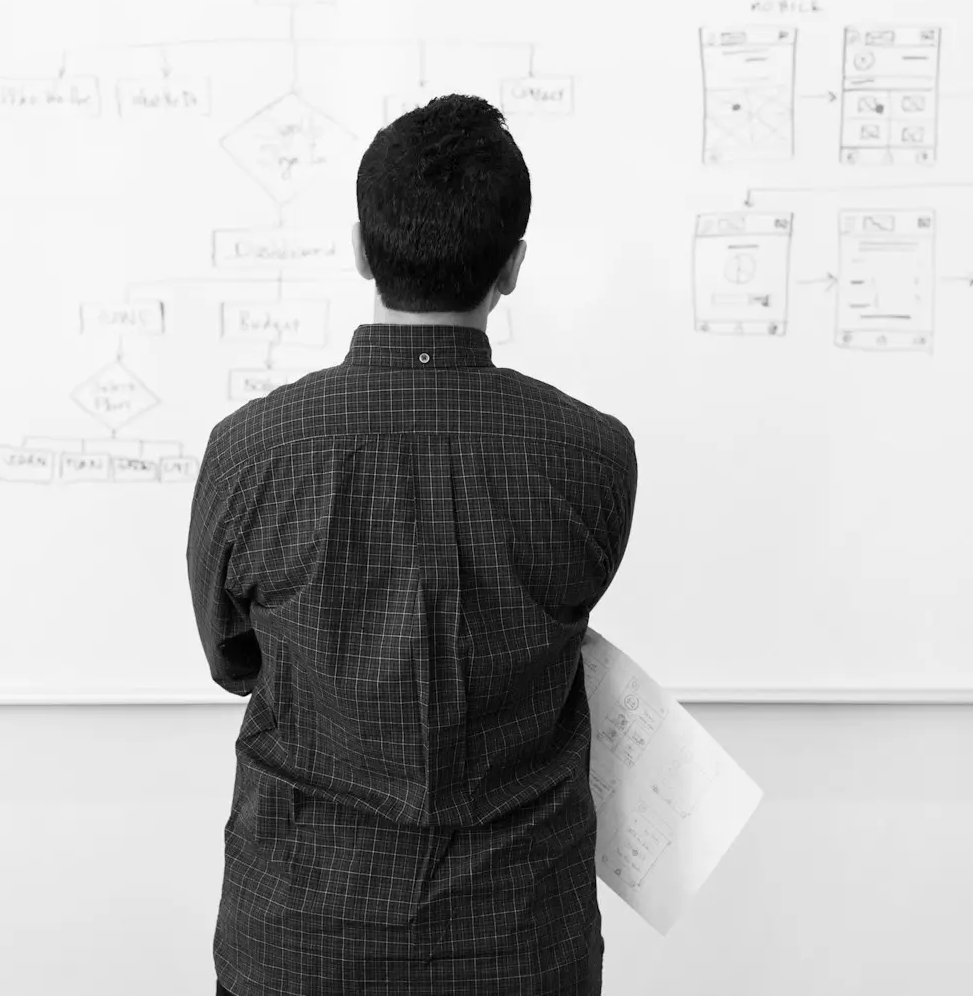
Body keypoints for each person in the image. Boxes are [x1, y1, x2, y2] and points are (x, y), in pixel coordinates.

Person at [187, 93, 638, 995]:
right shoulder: (593, 455)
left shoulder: (250, 451)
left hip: (301, 939)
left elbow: (233, 660)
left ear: (361, 248)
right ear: (513, 267)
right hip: (521, 943)